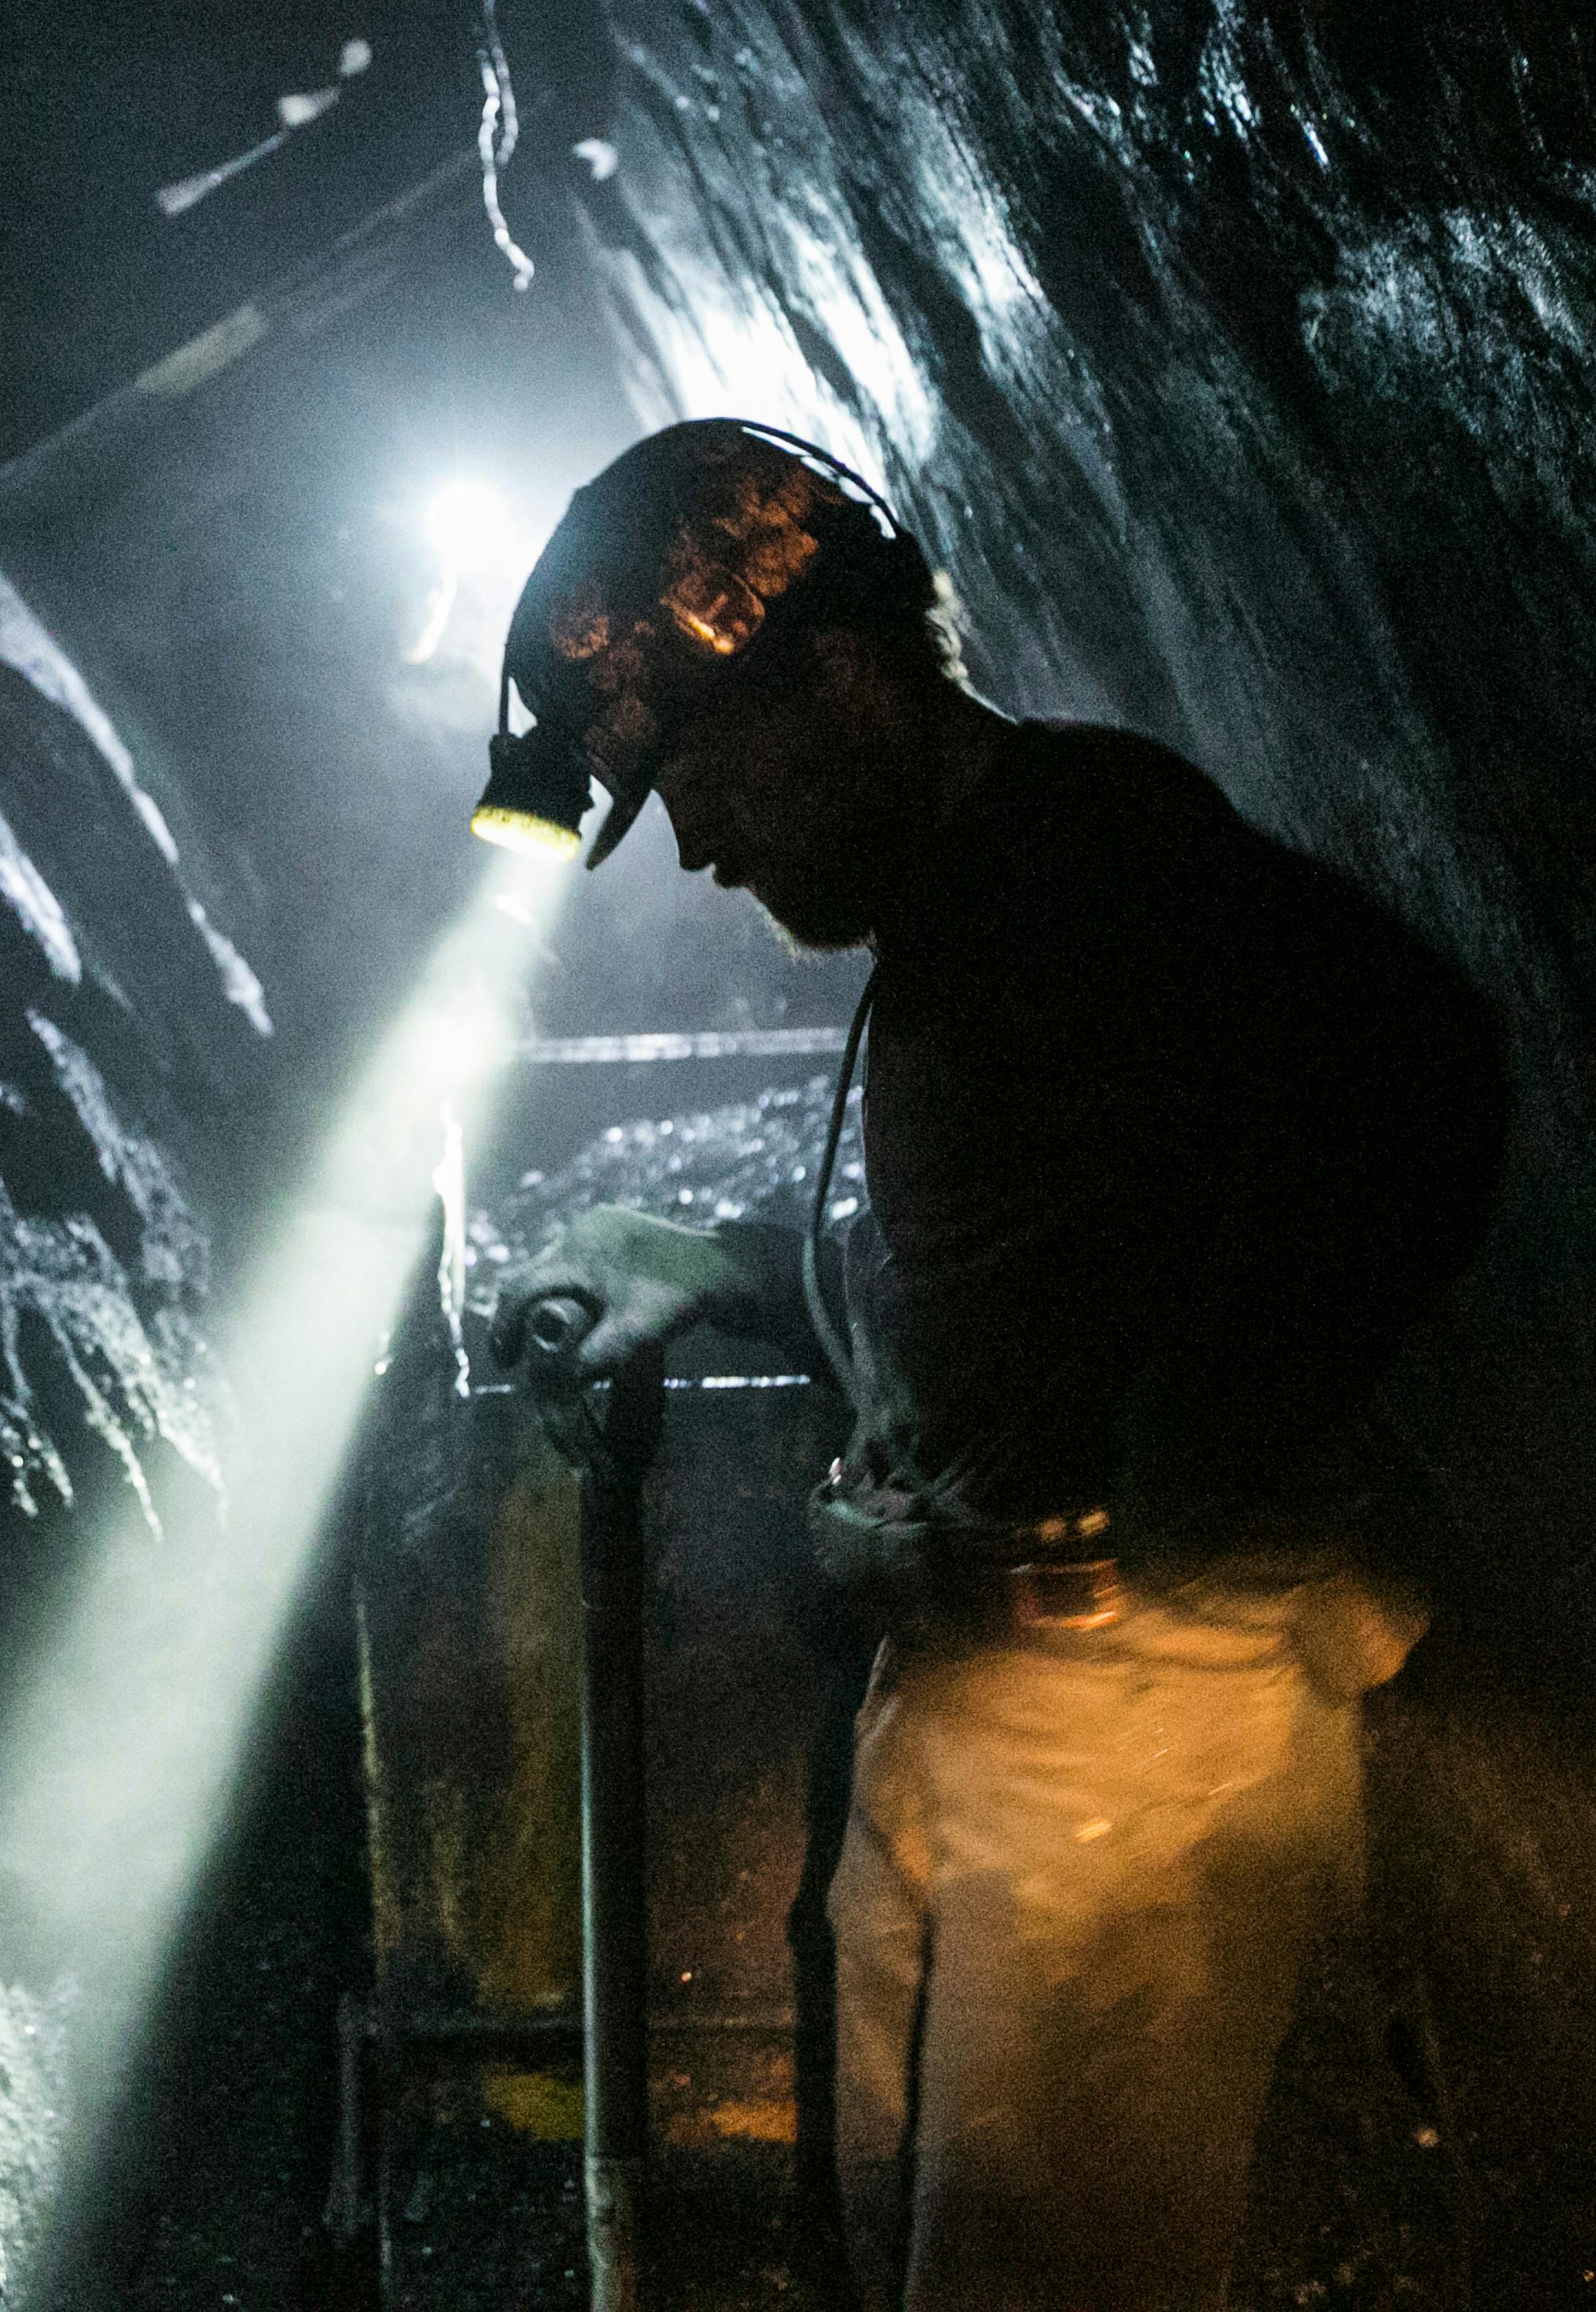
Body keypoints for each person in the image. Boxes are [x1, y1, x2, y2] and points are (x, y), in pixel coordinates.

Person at [475, 420, 1507, 2309]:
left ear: (847, 676)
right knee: (923, 2251)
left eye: (695, 775)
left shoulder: (1096, 851)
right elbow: (1015, 1254)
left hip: (1130, 1727)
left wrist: (1161, 1502)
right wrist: (712, 1262)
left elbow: (1428, 1080)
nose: (693, 847)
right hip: (1003, 1699)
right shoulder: (970, 918)